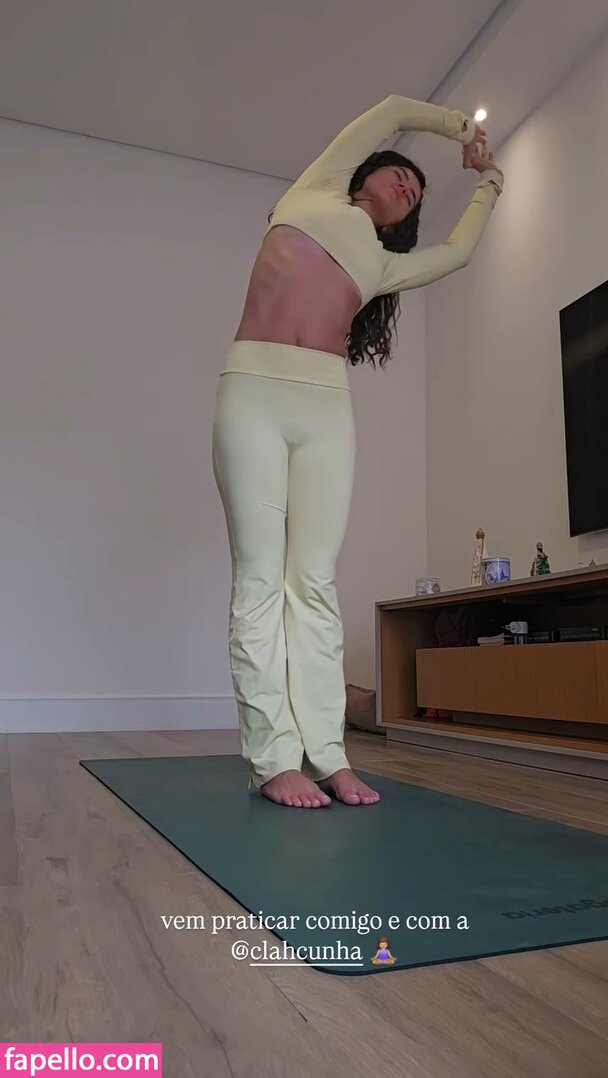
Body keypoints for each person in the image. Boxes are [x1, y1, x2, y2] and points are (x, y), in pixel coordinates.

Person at [212, 94, 503, 809]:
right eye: (402, 173)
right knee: (260, 579)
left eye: (417, 196)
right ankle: (273, 757)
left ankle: (327, 755)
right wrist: (462, 131)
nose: (410, 186)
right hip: (252, 394)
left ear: (401, 223)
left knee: (312, 581)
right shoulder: (311, 192)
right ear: (367, 172)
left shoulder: (381, 262)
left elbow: (459, 251)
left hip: (325, 408)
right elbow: (392, 109)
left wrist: (489, 180)